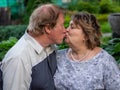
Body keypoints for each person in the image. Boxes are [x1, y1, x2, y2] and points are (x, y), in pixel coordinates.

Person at [0, 4, 66, 90]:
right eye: (62, 25)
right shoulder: (19, 58)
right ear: (48, 28)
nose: (65, 30)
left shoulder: (50, 45)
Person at [54, 12, 120, 90]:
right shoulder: (58, 56)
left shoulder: (105, 61)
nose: (66, 30)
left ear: (86, 36)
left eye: (72, 27)